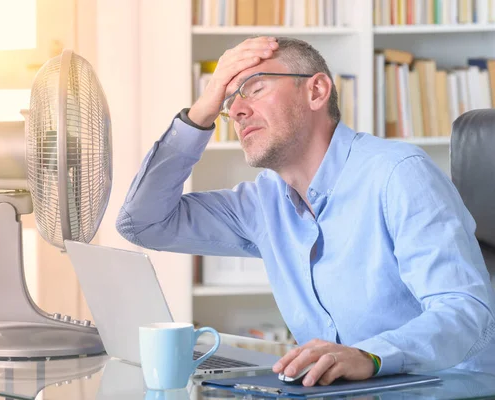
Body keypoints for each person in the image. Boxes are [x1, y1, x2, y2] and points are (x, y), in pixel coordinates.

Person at [115, 36, 495, 386]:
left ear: (316, 90)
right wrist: (200, 113)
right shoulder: (261, 205)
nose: (237, 112)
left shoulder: (398, 173)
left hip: (450, 388)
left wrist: (372, 356)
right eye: (229, 103)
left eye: (255, 89)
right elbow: (142, 223)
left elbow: (464, 312)